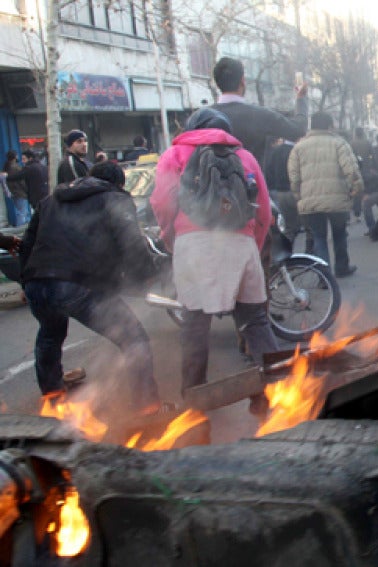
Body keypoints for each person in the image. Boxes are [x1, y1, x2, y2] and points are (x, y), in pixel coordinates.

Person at [150, 108, 276, 416]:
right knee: (254, 320)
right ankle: (276, 389)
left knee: (195, 324)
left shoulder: (175, 154)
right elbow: (264, 213)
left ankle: (194, 401)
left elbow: (162, 203)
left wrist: (171, 238)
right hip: (241, 241)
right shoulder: (245, 157)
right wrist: (253, 246)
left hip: (194, 245)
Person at [19, 161, 167, 414]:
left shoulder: (51, 200)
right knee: (135, 340)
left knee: (50, 334)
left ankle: (53, 399)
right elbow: (131, 242)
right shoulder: (114, 198)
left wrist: (27, 281)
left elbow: (27, 245)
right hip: (77, 284)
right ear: (118, 183)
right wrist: (146, 277)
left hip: (38, 282)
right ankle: (147, 407)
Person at [287, 111, 363, 277]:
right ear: (329, 126)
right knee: (339, 234)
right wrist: (357, 187)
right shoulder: (339, 143)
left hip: (310, 202)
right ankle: (342, 267)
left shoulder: (298, 148)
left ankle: (324, 275)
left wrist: (298, 196)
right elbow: (351, 169)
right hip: (337, 200)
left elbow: (294, 177)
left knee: (319, 238)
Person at [210, 57, 308, 164]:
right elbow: (298, 129)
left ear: (217, 83)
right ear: (242, 80)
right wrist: (301, 98)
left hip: (210, 180)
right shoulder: (260, 115)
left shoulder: (200, 119)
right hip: (251, 179)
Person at [263, 136, 300, 240]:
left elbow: (268, 170)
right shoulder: (297, 150)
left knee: (287, 226)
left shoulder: (274, 152)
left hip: (279, 191)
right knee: (306, 227)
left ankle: (288, 250)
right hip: (296, 191)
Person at [2, 151, 31, 226]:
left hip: (13, 192)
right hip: (20, 191)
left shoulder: (7, 166)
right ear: (15, 157)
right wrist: (27, 189)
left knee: (19, 212)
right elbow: (22, 180)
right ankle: (21, 229)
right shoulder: (16, 167)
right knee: (22, 213)